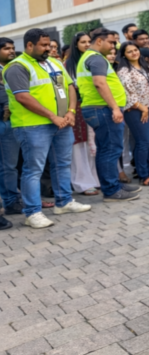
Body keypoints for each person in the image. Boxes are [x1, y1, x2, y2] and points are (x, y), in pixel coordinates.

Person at [3, 29, 92, 228]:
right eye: (43, 45)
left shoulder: (54, 62)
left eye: (49, 45)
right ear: (29, 45)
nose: (48, 49)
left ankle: (64, 202)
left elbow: (69, 87)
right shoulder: (17, 67)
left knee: (62, 164)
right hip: (32, 126)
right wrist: (52, 116)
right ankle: (32, 212)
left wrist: (70, 111)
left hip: (61, 123)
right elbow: (22, 97)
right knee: (33, 170)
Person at [77, 28, 140, 202]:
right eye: (111, 42)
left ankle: (113, 185)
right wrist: (115, 108)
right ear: (99, 41)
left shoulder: (91, 57)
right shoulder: (96, 58)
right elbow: (99, 83)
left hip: (98, 108)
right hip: (102, 109)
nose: (114, 46)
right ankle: (111, 190)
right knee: (110, 150)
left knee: (106, 149)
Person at [116, 43, 149, 186]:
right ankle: (143, 174)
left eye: (135, 50)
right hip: (136, 110)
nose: (134, 53)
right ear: (124, 55)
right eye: (129, 51)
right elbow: (126, 93)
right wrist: (141, 107)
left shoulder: (147, 67)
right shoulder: (124, 71)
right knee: (143, 142)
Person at [64, 32, 101, 196]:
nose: (87, 44)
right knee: (79, 146)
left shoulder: (94, 60)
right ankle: (82, 182)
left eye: (89, 41)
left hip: (93, 105)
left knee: (92, 145)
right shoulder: (67, 65)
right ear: (75, 44)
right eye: (83, 42)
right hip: (76, 108)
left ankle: (94, 178)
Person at [0, 37, 20, 228]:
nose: (11, 51)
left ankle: (11, 202)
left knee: (9, 166)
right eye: (6, 48)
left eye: (13, 48)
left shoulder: (12, 69)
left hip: (9, 123)